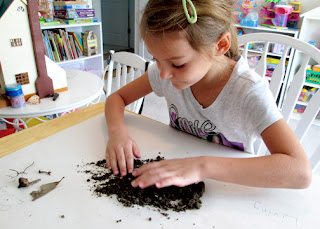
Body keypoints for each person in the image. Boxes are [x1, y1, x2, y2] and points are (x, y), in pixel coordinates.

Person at [105, 0, 312, 190]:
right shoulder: (167, 72)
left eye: (178, 64)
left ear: (220, 46)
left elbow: (300, 172)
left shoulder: (249, 92)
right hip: (178, 173)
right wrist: (117, 134)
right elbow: (116, 98)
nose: (164, 74)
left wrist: (201, 166)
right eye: (156, 59)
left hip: (228, 188)